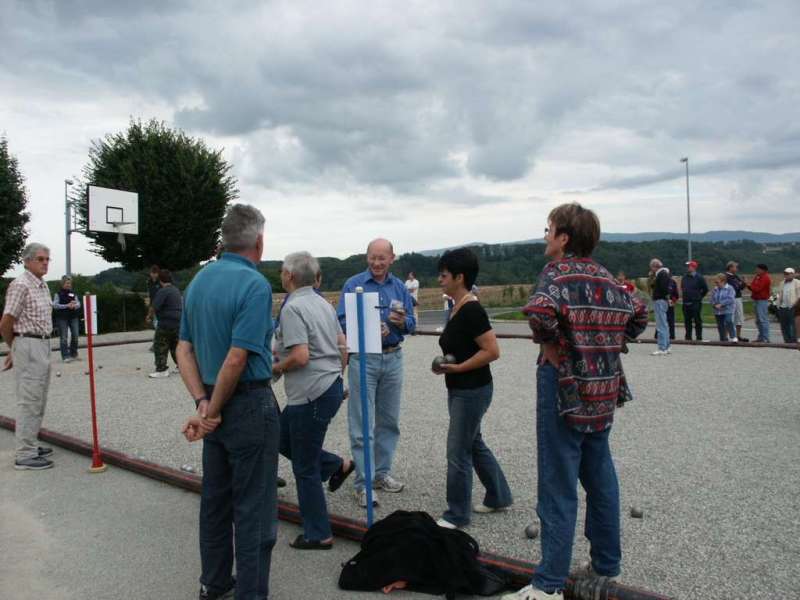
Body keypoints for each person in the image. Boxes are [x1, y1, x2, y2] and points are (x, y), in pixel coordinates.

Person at [504, 204, 647, 600]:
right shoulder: (604, 276)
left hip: (566, 386)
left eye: (548, 229)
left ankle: (547, 585)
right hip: (603, 388)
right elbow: (638, 314)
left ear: (564, 237)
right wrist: (606, 341)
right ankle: (605, 565)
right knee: (600, 475)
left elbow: (537, 311)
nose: (545, 235)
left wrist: (554, 342)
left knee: (558, 481)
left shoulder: (557, 274)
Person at [177, 204, 279, 600]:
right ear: (259, 242)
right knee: (253, 511)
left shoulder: (199, 282)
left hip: (211, 404)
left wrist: (203, 403)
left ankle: (214, 583)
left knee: (215, 503)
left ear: (224, 241)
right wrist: (215, 408)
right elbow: (238, 358)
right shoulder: (255, 287)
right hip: (248, 406)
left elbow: (183, 348)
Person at [272, 251, 353, 549]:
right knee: (281, 438)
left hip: (310, 394)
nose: (281, 275)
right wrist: (336, 376)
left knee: (304, 467)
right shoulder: (322, 303)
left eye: (282, 271)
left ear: (290, 276)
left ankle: (319, 533)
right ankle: (337, 465)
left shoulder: (293, 309)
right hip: (327, 387)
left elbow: (300, 356)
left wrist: (275, 369)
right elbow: (343, 346)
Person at [431, 247, 512, 530]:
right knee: (473, 443)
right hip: (461, 388)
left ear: (459, 277)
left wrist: (458, 368)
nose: (439, 280)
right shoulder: (456, 307)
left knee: (457, 451)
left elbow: (492, 350)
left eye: (443, 275)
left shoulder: (472, 309)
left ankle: (457, 514)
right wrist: (443, 366)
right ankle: (499, 495)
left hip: (472, 390)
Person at [336, 238, 416, 508]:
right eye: (373, 257)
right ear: (366, 257)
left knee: (389, 421)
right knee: (362, 425)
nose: (377, 263)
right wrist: (371, 325)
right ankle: (363, 483)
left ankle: (381, 474)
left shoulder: (399, 287)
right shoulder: (353, 284)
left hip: (393, 357)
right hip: (364, 359)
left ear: (392, 258)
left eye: (383, 258)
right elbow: (342, 320)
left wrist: (401, 321)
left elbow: (412, 324)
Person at [0, 243, 56, 470]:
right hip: (28, 342)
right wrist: (14, 347)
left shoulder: (42, 285)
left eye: (47, 259)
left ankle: (31, 442)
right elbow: (6, 322)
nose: (44, 263)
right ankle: (24, 454)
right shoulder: (21, 285)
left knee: (39, 397)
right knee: (29, 399)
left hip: (42, 343)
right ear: (27, 261)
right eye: (40, 259)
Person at [148, 269, 183, 378]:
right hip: (178, 321)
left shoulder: (163, 291)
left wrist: (149, 316)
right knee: (175, 346)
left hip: (166, 322)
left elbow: (154, 306)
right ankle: (182, 367)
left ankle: (161, 369)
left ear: (160, 281)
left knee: (160, 345)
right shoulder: (176, 290)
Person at [52, 275, 81, 362]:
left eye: (70, 283)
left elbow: (79, 304)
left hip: (73, 317)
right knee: (64, 337)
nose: (69, 285)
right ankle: (65, 356)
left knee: (75, 335)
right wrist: (66, 306)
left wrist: (74, 305)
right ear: (62, 284)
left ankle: (74, 354)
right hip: (62, 318)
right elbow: (55, 305)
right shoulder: (58, 294)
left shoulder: (73, 293)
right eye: (67, 283)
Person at [680, 260, 708, 342]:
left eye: (689, 266)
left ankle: (698, 337)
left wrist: (699, 297)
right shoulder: (684, 277)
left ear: (693, 267)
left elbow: (705, 289)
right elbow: (683, 288)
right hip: (686, 302)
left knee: (697, 320)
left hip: (695, 302)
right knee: (687, 320)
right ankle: (688, 337)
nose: (687, 268)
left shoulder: (699, 278)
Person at [649, 258, 672, 355]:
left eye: (651, 267)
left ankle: (662, 347)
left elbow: (662, 288)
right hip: (663, 301)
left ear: (654, 267)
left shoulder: (661, 275)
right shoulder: (665, 274)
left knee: (660, 325)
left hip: (659, 301)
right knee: (664, 324)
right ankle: (667, 346)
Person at [746, 264, 772, 343]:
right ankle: (761, 337)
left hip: (762, 301)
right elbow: (753, 286)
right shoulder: (757, 277)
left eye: (758, 269)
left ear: (763, 270)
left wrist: (749, 285)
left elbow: (757, 288)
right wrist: (749, 285)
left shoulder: (766, 277)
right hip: (756, 299)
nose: (756, 270)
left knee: (763, 319)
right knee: (758, 320)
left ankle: (765, 338)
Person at [725, 261, 749, 342]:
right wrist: (740, 284)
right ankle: (726, 336)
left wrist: (744, 283)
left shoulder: (736, 276)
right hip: (731, 299)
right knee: (730, 318)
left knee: (739, 317)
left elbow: (740, 287)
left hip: (738, 298)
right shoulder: (726, 277)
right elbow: (735, 287)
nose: (737, 269)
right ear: (730, 267)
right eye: (735, 267)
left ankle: (738, 335)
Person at [711, 273, 737, 342]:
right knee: (720, 325)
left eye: (717, 282)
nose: (716, 284)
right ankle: (723, 338)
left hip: (728, 309)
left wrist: (721, 304)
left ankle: (733, 336)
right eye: (715, 282)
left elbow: (731, 299)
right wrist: (714, 304)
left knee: (728, 321)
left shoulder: (730, 288)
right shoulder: (715, 289)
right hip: (717, 310)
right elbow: (712, 299)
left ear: (723, 281)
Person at [777, 267, 800, 343]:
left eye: (788, 274)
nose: (786, 275)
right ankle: (787, 340)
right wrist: (778, 305)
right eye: (785, 274)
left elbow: (799, 295)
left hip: (793, 306)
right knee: (784, 325)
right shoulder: (782, 283)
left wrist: (795, 305)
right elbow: (780, 294)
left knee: (794, 325)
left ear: (792, 274)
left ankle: (794, 340)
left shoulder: (797, 282)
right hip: (783, 306)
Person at [146, 265, 160, 352]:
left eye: (155, 273)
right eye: (152, 273)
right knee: (156, 325)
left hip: (161, 306)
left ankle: (156, 344)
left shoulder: (160, 282)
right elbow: (151, 296)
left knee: (158, 325)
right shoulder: (149, 282)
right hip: (154, 305)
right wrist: (150, 311)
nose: (154, 275)